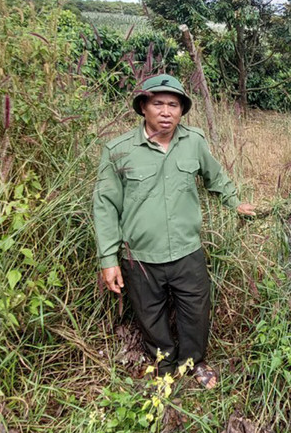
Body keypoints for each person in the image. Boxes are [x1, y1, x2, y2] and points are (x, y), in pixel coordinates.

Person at [93, 73, 254, 388]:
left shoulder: (193, 141)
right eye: (158, 104)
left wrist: (234, 202)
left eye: (173, 105)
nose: (166, 112)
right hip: (139, 255)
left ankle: (193, 362)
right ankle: (163, 367)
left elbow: (215, 176)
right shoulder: (118, 150)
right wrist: (108, 259)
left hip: (186, 251)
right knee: (150, 316)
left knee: (195, 311)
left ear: (182, 110)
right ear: (143, 107)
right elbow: (105, 206)